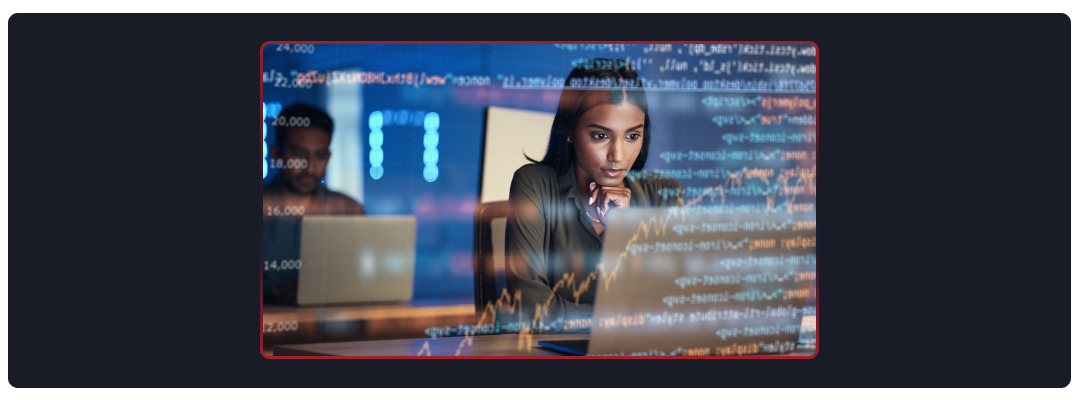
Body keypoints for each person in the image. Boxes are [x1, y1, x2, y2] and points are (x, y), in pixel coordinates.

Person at [504, 59, 684, 333]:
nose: (618, 156)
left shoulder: (665, 196)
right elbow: (532, 310)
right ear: (569, 132)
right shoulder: (534, 184)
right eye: (601, 135)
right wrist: (622, 318)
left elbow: (675, 309)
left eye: (632, 136)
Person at [262, 103, 364, 303]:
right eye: (299, 154)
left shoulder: (349, 210)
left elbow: (364, 279)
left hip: (337, 330)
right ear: (275, 154)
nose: (310, 167)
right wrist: (277, 292)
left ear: (328, 157)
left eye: (319, 156)